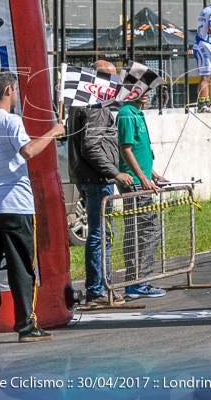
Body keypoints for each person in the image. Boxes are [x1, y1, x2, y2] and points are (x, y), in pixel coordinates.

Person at [0, 68, 64, 344]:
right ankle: (26, 325)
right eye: (16, 89)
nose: (17, 94)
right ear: (8, 90)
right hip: (15, 204)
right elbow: (28, 151)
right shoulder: (12, 121)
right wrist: (54, 131)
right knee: (21, 266)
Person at [66, 60, 134, 305]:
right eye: (109, 78)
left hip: (86, 176)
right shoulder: (95, 105)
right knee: (100, 235)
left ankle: (99, 286)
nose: (114, 85)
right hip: (96, 179)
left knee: (100, 233)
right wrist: (116, 173)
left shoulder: (80, 101)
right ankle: (97, 289)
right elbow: (92, 147)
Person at [117, 82, 168, 298]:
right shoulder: (127, 113)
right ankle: (138, 281)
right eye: (143, 89)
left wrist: (154, 175)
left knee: (141, 230)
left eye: (149, 90)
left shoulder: (137, 113)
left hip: (143, 180)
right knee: (147, 229)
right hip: (135, 184)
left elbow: (140, 151)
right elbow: (125, 149)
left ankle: (137, 281)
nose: (147, 94)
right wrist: (141, 178)